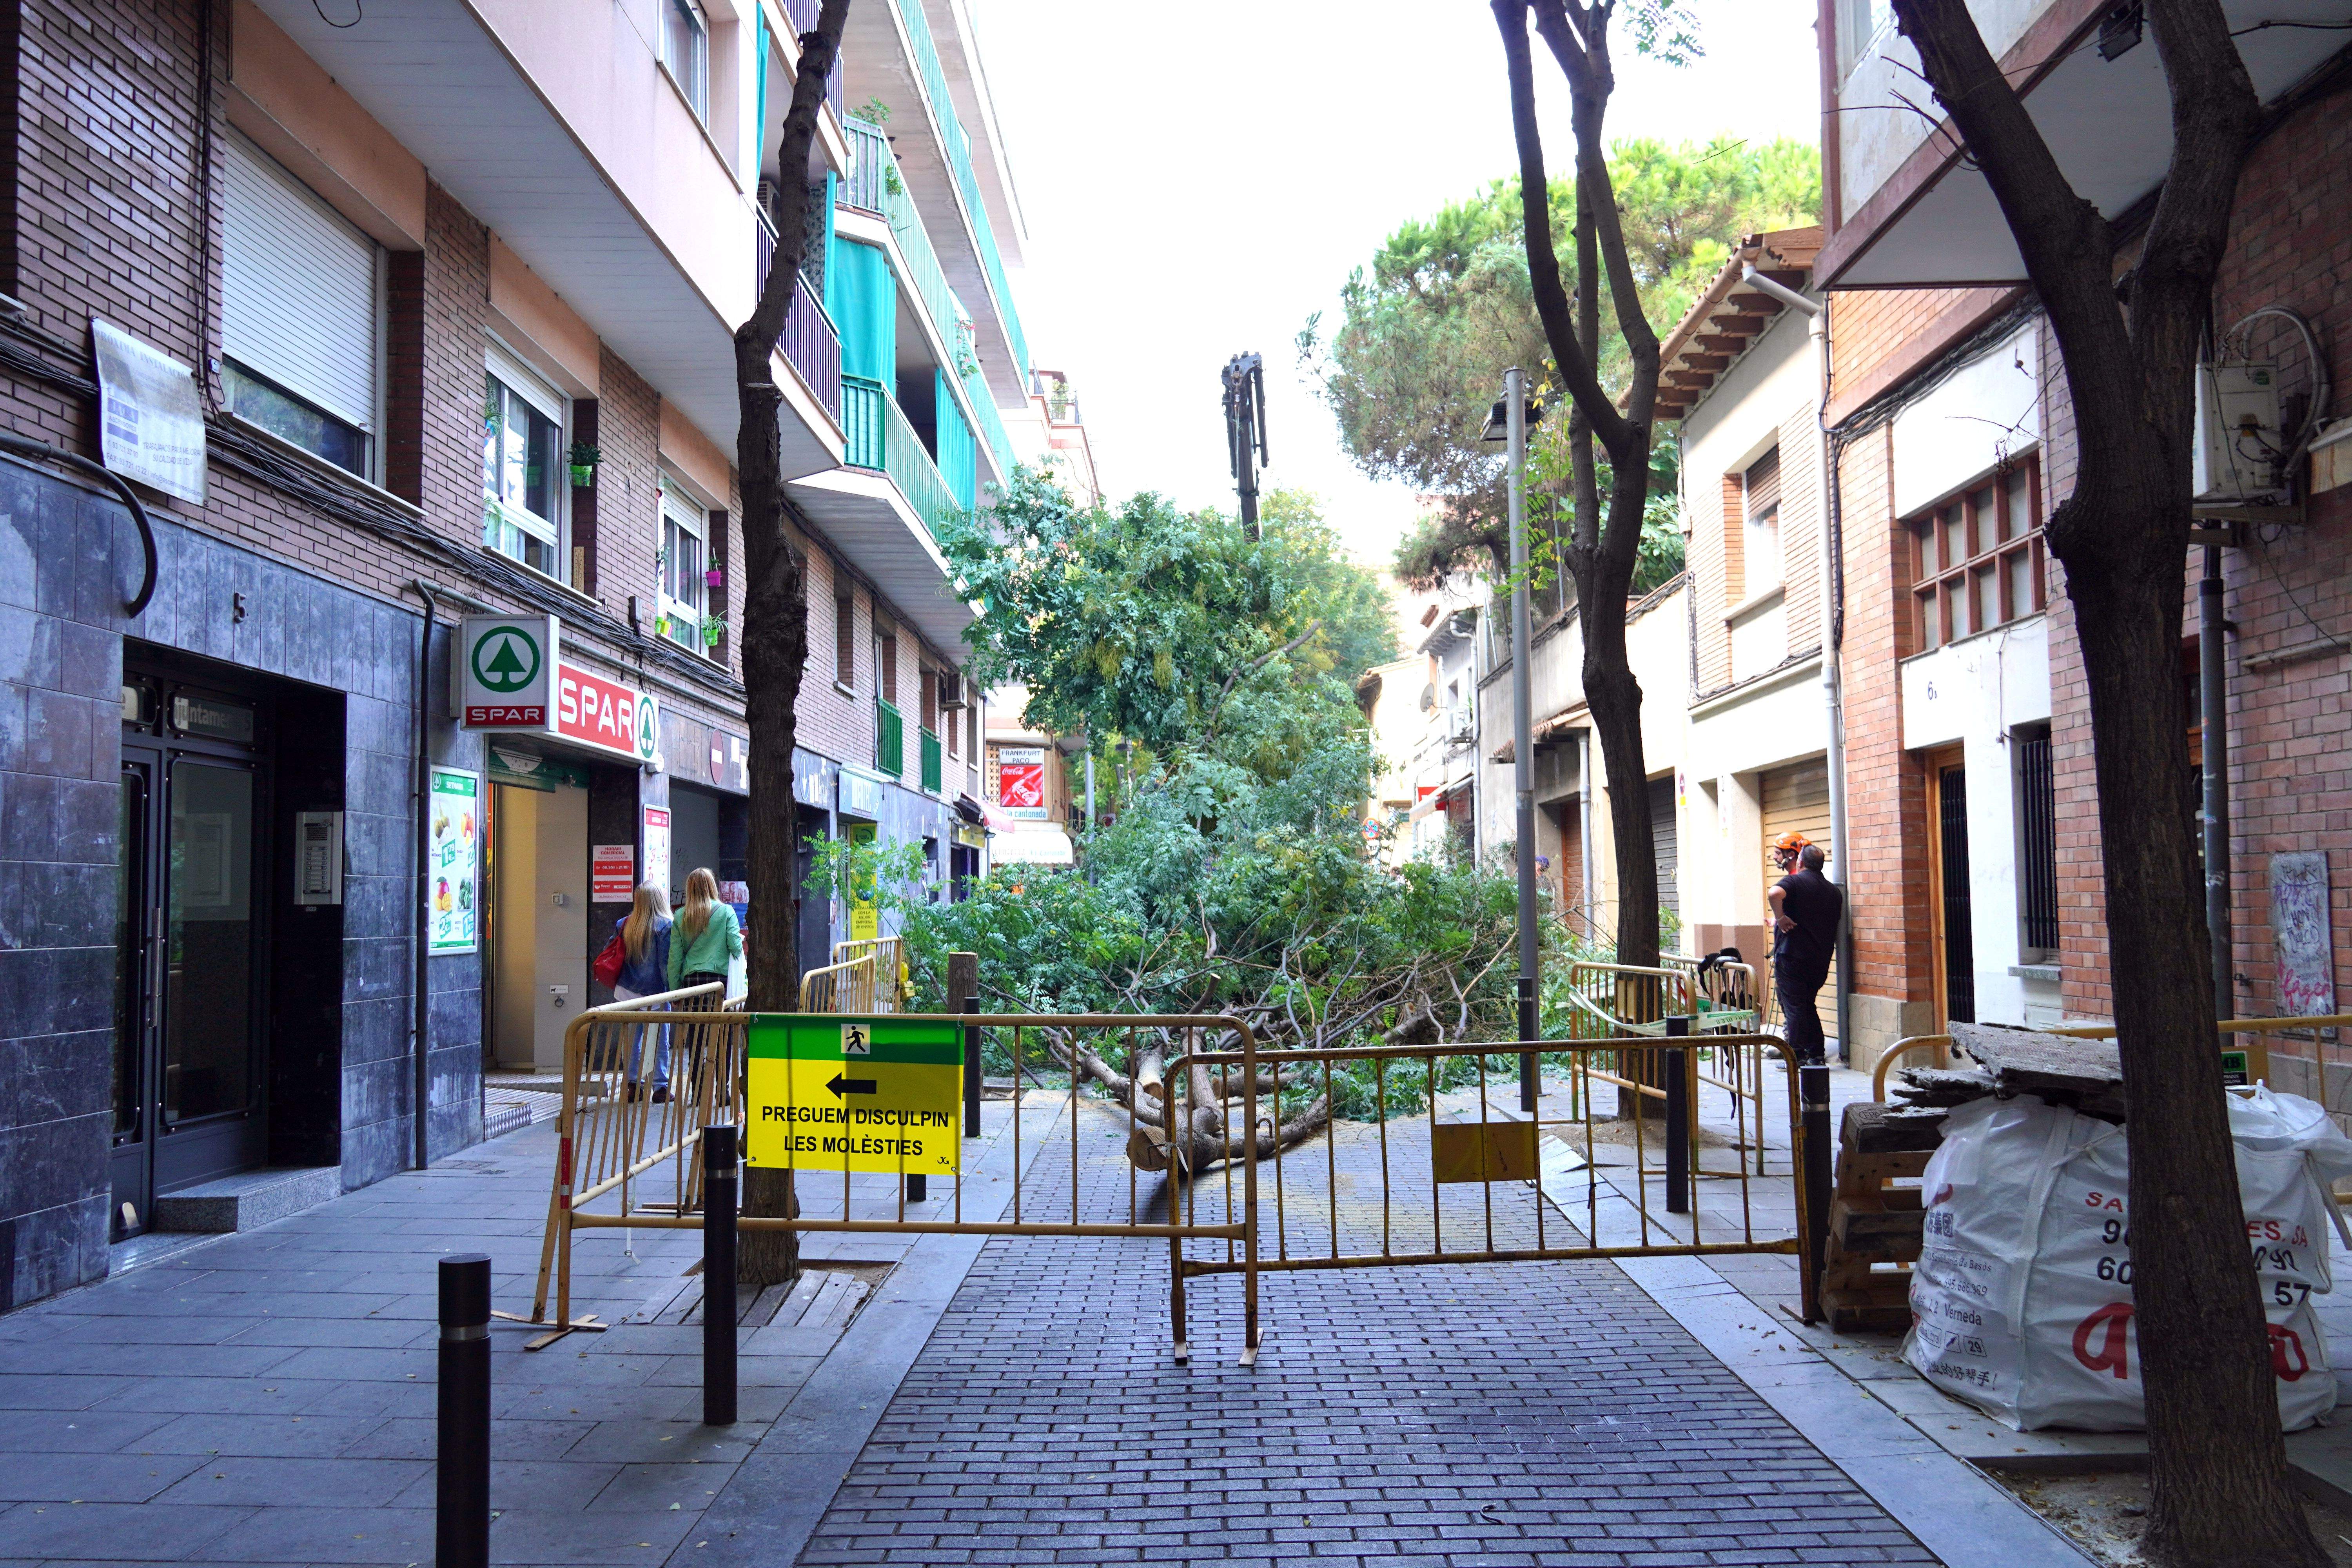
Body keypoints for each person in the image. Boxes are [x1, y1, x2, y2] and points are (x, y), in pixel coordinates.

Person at [1767, 834, 1843, 1066]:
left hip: (1792, 957)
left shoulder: (1796, 882)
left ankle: (1797, 1055)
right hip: (1819, 960)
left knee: (1796, 1007)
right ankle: (1816, 1054)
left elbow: (1774, 893)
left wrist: (1780, 918)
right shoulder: (1834, 892)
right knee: (1807, 1005)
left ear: (1800, 862)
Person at [612, 883, 673, 1100]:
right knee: (660, 1040)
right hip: (657, 994)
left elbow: (611, 952)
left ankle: (632, 1087)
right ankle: (660, 1087)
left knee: (632, 1041)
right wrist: (673, 993)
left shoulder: (624, 924)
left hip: (627, 993)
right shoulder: (666, 926)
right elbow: (665, 963)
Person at [667, 866, 744, 1007]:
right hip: (720, 982)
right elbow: (736, 948)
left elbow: (675, 959)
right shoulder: (727, 912)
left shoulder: (680, 916)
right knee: (720, 1027)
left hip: (691, 983)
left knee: (694, 1027)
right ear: (712, 886)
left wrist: (675, 993)